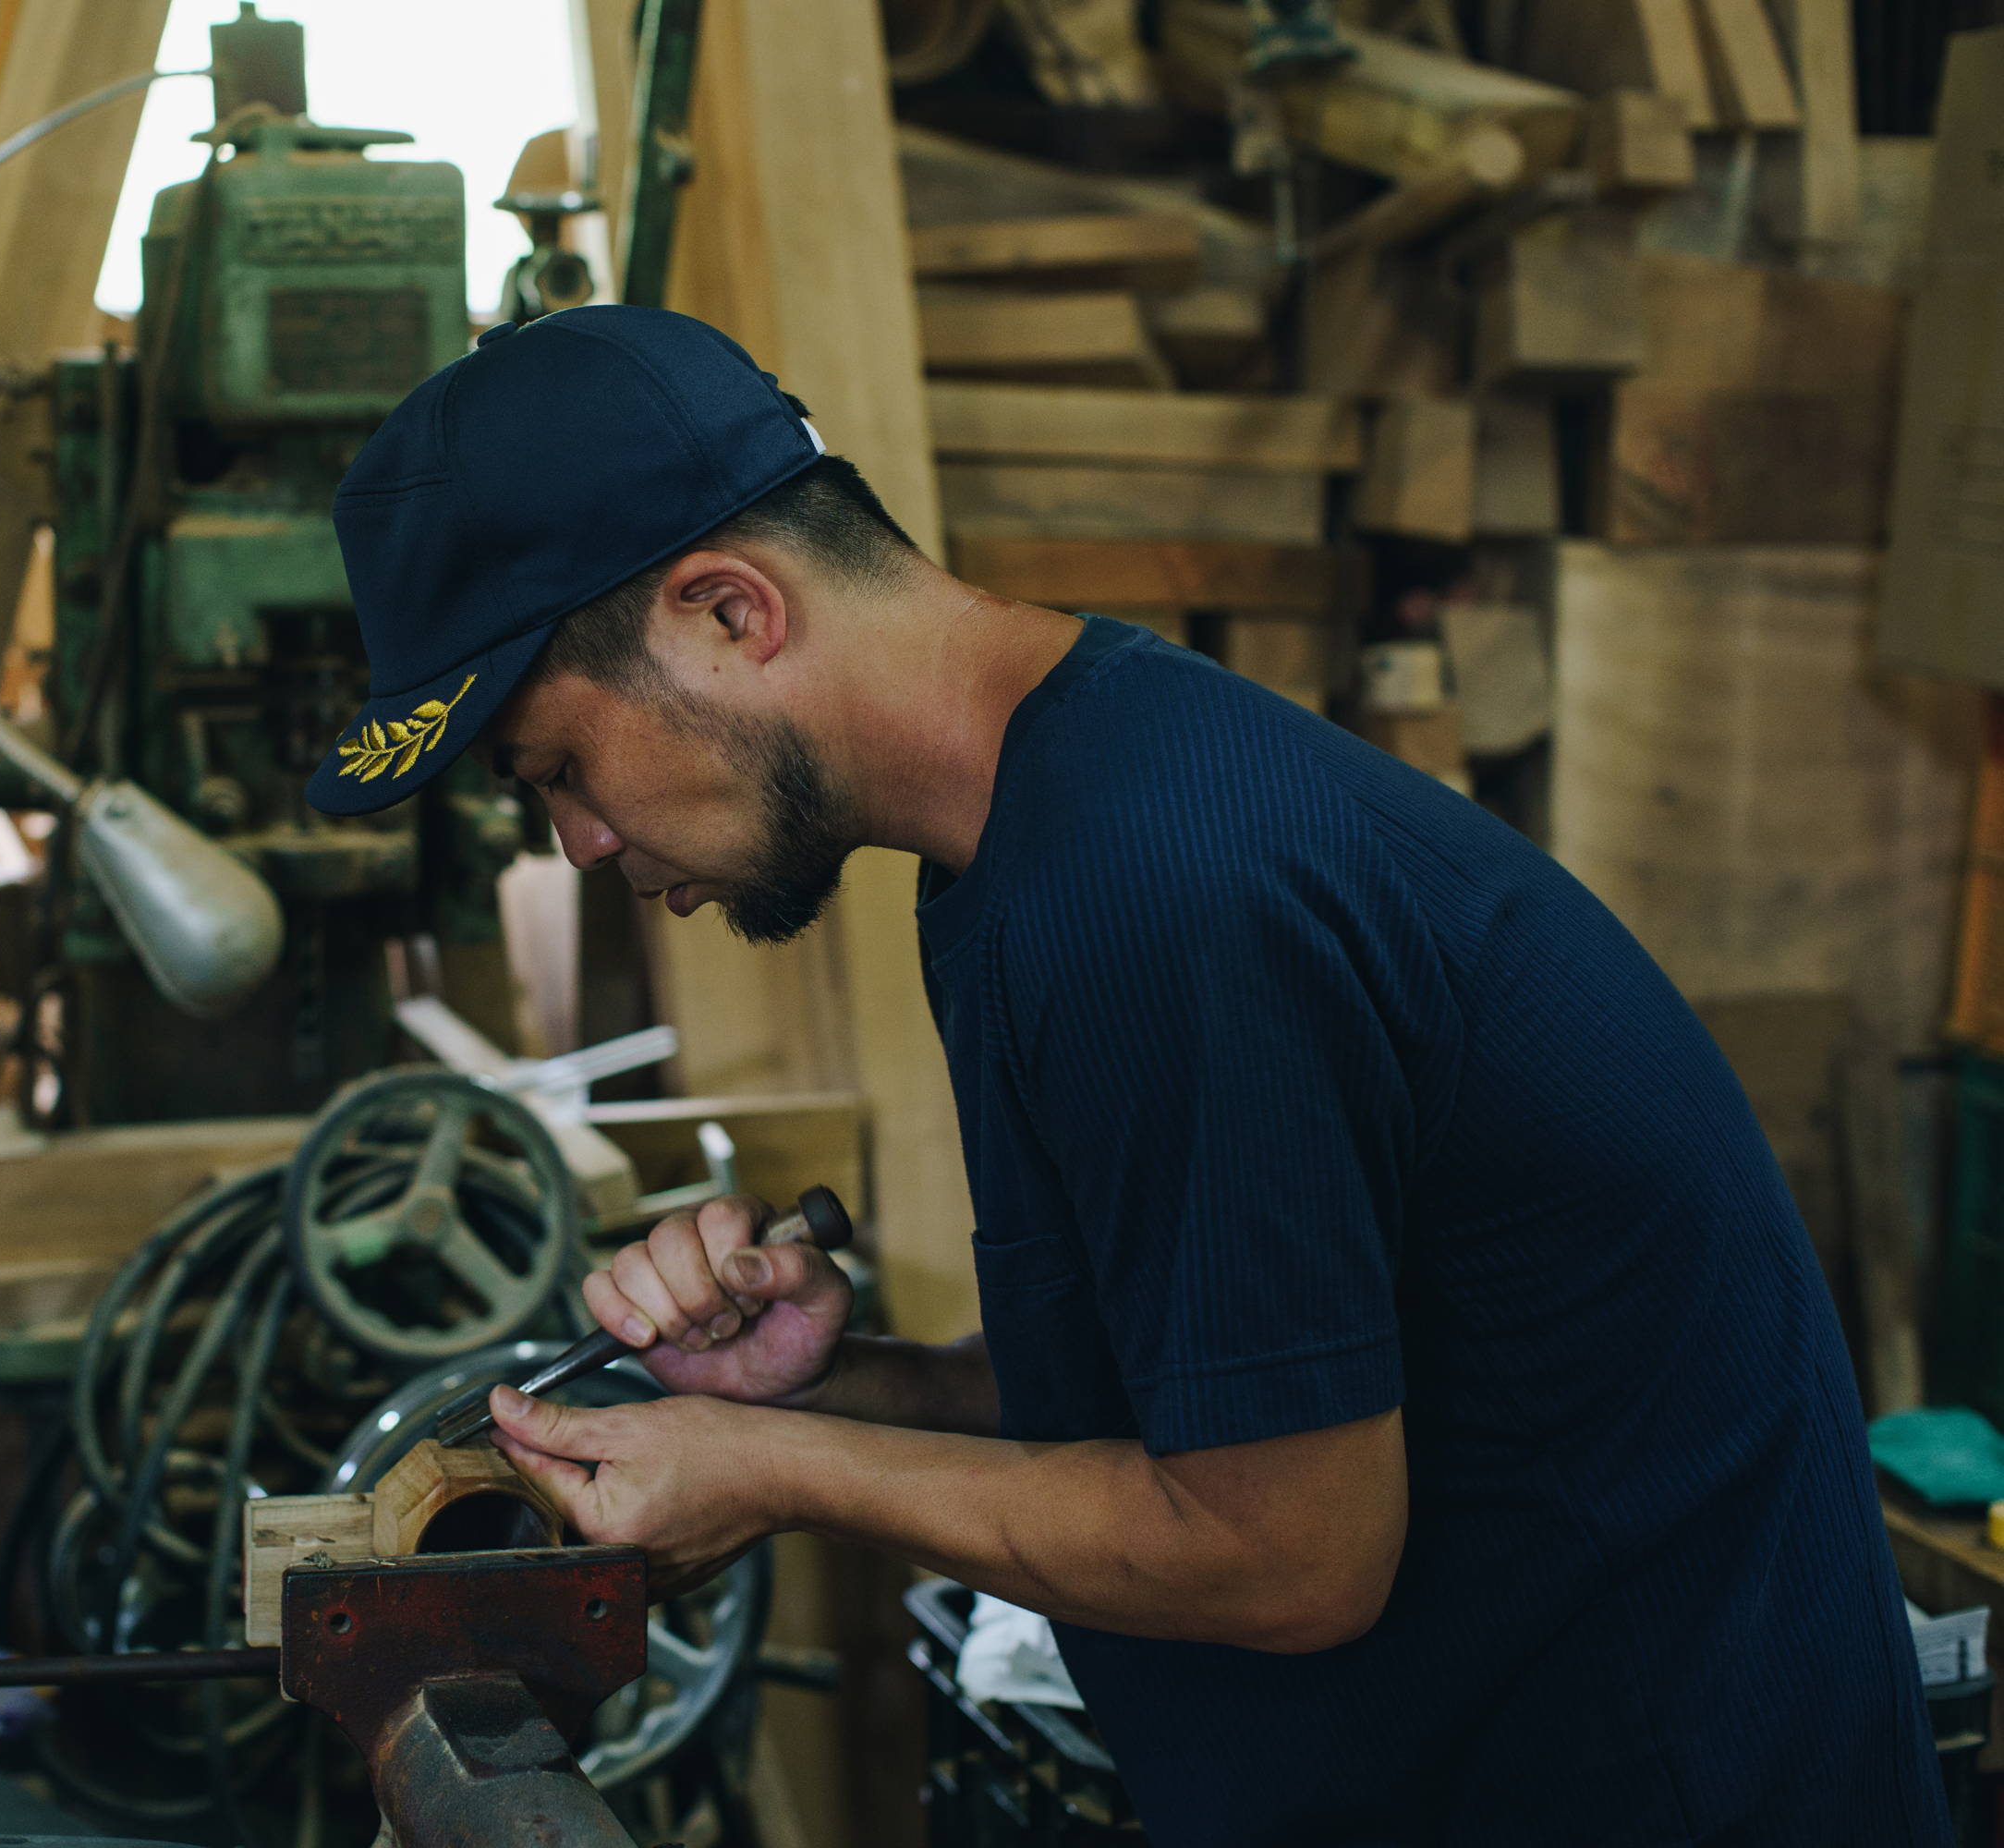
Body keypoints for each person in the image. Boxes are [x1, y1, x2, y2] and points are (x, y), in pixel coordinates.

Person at [303, 305, 1944, 1843]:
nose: (579, 842)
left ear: (731, 613)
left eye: (560, 766)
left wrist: (774, 1471)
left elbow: (1286, 1549)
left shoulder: (1158, 892)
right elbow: (1233, 1379)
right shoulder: (1039, 832)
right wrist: (842, 1383)